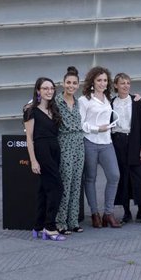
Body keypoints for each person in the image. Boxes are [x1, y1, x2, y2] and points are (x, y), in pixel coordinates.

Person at [78, 66, 122, 228]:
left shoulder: (108, 99)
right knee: (90, 178)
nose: (102, 83)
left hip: (106, 143)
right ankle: (95, 213)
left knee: (114, 175)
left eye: (105, 80)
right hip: (89, 142)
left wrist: (136, 97)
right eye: (99, 80)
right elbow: (81, 124)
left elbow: (126, 100)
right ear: (92, 82)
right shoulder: (84, 100)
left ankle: (108, 213)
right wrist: (98, 128)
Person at [24, 77, 65, 241]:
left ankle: (38, 226)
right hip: (42, 150)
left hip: (55, 149)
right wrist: (33, 160)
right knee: (57, 188)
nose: (49, 91)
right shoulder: (30, 110)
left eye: (51, 88)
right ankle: (50, 227)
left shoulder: (54, 109)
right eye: (45, 88)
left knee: (44, 189)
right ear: (38, 91)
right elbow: (29, 138)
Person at [111, 73, 141, 224]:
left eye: (128, 83)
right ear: (116, 85)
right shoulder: (111, 103)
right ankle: (127, 212)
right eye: (122, 83)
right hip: (118, 142)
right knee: (123, 177)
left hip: (135, 141)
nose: (126, 86)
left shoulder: (136, 102)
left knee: (139, 176)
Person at [54, 66, 85, 234]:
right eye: (68, 83)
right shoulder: (56, 101)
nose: (71, 86)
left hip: (79, 143)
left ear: (78, 85)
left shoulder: (79, 102)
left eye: (74, 83)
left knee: (76, 183)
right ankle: (61, 222)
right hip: (64, 142)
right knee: (65, 183)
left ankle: (73, 221)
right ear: (63, 83)